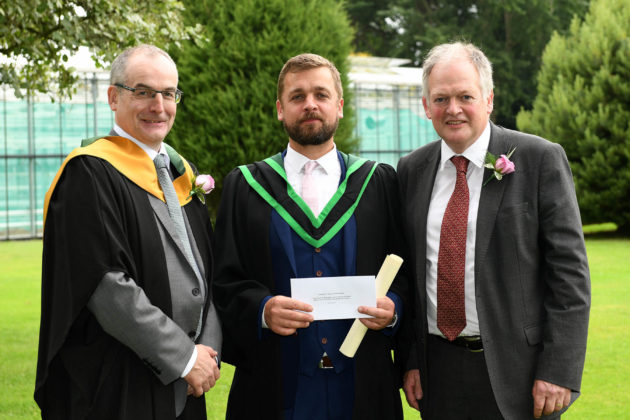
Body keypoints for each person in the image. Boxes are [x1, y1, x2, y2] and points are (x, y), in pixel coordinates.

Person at [397, 41, 591, 420]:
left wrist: (558, 370)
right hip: (438, 374)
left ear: (488, 99)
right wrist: (409, 359)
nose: (452, 109)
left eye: (465, 96)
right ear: (425, 106)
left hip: (520, 374)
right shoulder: (410, 170)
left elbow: (569, 276)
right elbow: (407, 276)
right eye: (440, 99)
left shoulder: (538, 159)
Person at [212, 53, 407, 420]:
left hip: (363, 385)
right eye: (297, 96)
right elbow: (223, 280)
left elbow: (407, 273)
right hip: (274, 386)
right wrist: (262, 310)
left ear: (340, 106)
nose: (310, 104)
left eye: (321, 94)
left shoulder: (377, 182)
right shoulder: (246, 186)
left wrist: (394, 307)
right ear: (280, 110)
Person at [35, 44, 222, 420]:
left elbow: (207, 271)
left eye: (169, 93)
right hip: (118, 382)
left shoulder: (180, 171)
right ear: (113, 97)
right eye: (144, 92)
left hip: (188, 386)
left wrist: (207, 353)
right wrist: (184, 358)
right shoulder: (89, 173)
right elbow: (106, 284)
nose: (159, 105)